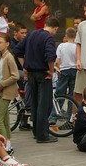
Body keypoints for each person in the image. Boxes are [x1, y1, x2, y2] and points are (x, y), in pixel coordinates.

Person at [12, 16, 60, 144]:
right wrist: (51, 71)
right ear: (55, 28)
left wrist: (25, 66)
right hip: (43, 74)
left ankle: (36, 131)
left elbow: (17, 50)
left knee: (35, 103)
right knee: (44, 104)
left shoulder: (32, 34)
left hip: (31, 73)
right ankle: (43, 135)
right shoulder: (48, 38)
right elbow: (50, 56)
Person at [0, 33, 19, 148]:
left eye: (0, 42)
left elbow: (15, 76)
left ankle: (5, 145)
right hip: (0, 89)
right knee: (5, 118)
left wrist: (1, 84)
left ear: (7, 44)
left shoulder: (9, 57)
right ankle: (8, 144)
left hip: (7, 90)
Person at [55, 27, 77, 100]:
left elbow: (57, 61)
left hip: (64, 70)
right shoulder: (76, 47)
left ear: (66, 36)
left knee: (61, 92)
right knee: (72, 93)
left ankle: (57, 109)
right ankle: (70, 110)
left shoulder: (61, 46)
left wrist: (58, 68)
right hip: (74, 70)